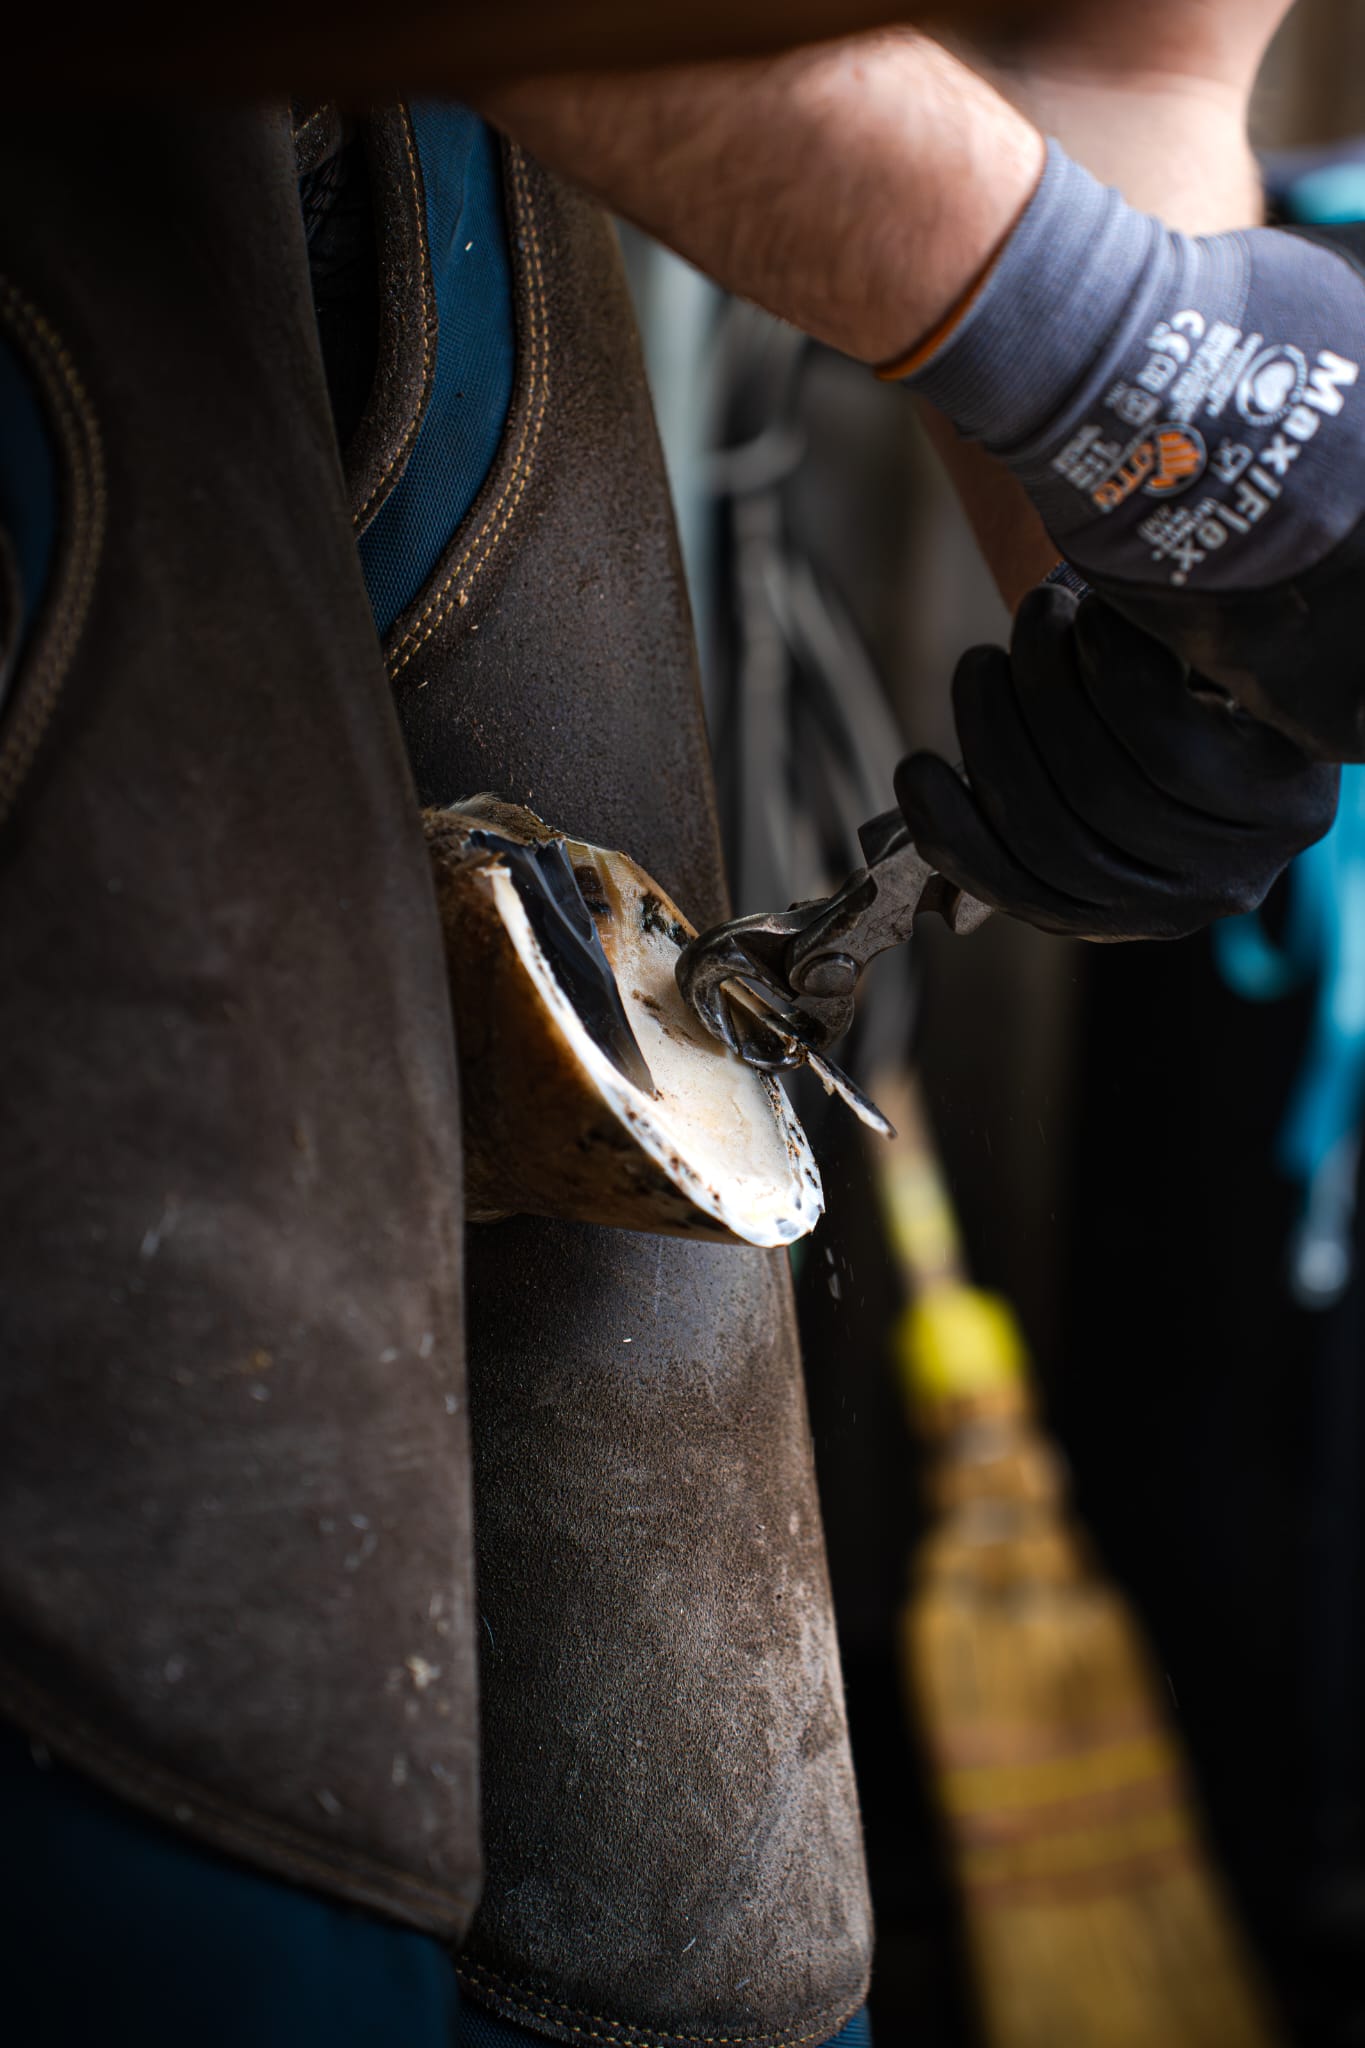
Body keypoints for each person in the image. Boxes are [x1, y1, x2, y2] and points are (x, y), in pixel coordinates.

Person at [0, 6, 1344, 2047]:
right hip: (73, 294)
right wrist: (1118, 360)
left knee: (680, 1877)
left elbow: (1123, 63)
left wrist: (1147, 569)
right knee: (199, 1793)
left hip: (467, 315)